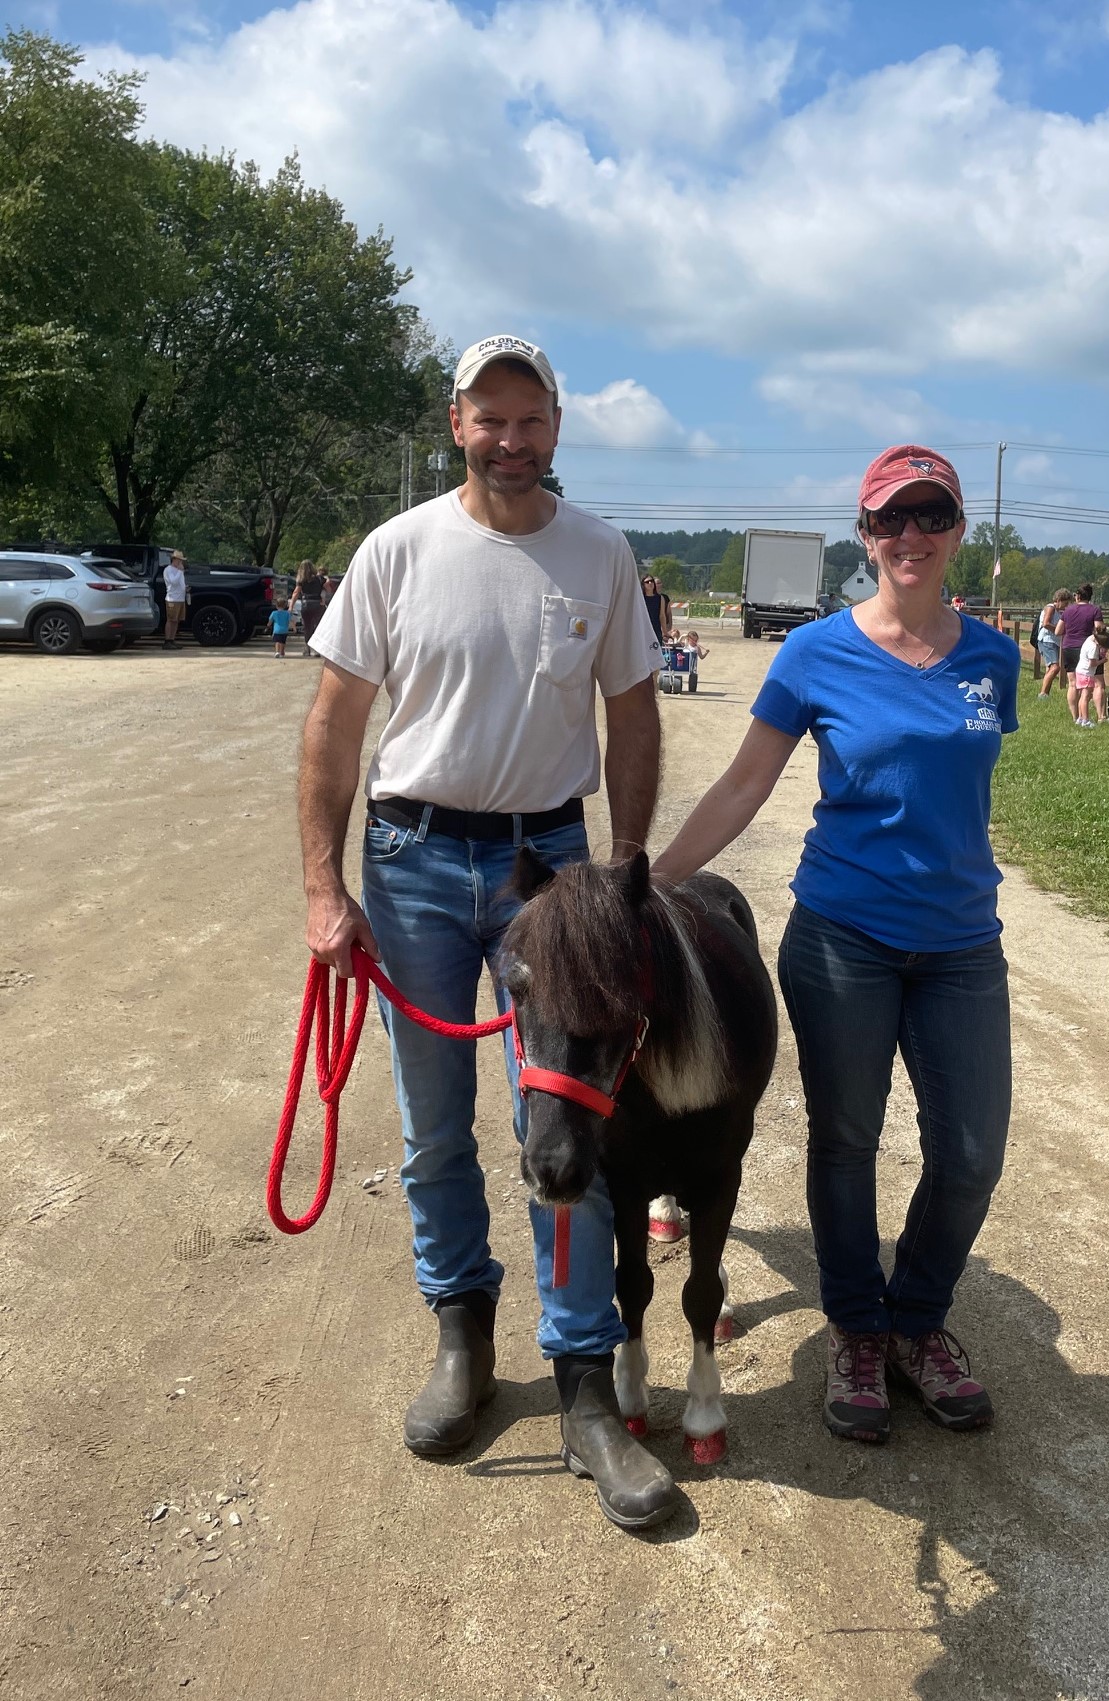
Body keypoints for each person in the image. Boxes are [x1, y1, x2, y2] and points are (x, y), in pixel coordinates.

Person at [298, 333, 674, 1528]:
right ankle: (461, 1339)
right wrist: (323, 887)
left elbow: (632, 715)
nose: (511, 440)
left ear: (558, 424)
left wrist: (619, 872)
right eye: (488, 418)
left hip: (547, 868)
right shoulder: (398, 550)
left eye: (531, 419)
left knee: (562, 1120)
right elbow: (332, 727)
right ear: (454, 422)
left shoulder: (599, 554)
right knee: (431, 1127)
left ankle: (581, 1383)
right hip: (409, 861)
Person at [653, 444, 1020, 1444]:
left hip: (959, 948)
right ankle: (859, 1330)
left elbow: (957, 791)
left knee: (972, 1152)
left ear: (955, 530)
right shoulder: (813, 652)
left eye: (929, 515)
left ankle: (919, 1322)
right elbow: (743, 784)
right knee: (847, 1142)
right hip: (841, 942)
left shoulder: (994, 656)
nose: (909, 535)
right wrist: (654, 880)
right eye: (888, 520)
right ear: (864, 537)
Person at [1058, 583, 1102, 723]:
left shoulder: (1068, 611)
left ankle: (1075, 717)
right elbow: (1099, 629)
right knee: (1094, 683)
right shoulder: (1095, 610)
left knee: (1073, 684)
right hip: (1088, 648)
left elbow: (1058, 631)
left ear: (1077, 596)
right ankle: (1097, 716)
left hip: (1069, 647)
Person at [1074, 622, 1109, 726]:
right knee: (1086, 697)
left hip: (1080, 671)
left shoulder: (1091, 638)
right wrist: (1103, 661)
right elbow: (1092, 663)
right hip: (1086, 673)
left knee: (1082, 696)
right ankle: (1086, 720)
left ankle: (1080, 718)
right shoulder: (1093, 648)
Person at [1035, 588, 1070, 699]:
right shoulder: (1051, 608)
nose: (1066, 605)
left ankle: (1046, 694)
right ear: (1059, 599)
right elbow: (1046, 623)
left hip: (1053, 641)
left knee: (1050, 669)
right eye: (1065, 603)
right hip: (1046, 640)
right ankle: (1042, 694)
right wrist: (1058, 631)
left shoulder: (1059, 612)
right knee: (1055, 667)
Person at [290, 559, 327, 653]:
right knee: (318, 626)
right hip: (318, 604)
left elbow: (295, 593)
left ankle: (307, 648)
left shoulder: (301, 580)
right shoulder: (319, 579)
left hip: (307, 604)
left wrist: (291, 606)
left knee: (307, 627)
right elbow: (328, 586)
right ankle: (317, 649)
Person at [162, 550, 187, 649]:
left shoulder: (179, 571)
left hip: (180, 598)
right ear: (174, 559)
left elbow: (180, 583)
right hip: (172, 599)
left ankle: (172, 639)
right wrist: (180, 571)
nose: (180, 562)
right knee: (171, 619)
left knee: (176, 620)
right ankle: (167, 640)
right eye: (179, 560)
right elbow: (173, 582)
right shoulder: (168, 570)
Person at [640, 573, 668, 642]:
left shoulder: (660, 598)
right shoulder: (640, 598)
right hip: (642, 629)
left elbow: (662, 616)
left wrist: (665, 632)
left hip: (656, 629)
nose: (650, 583)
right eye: (647, 582)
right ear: (643, 584)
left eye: (652, 581)